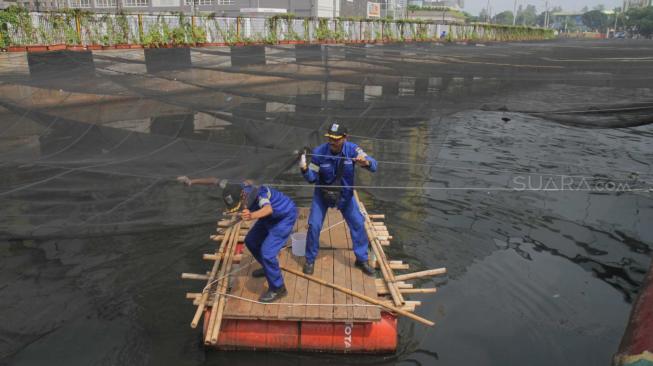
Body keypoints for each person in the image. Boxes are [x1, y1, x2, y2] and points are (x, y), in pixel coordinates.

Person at [177, 176, 297, 303]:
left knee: (267, 253)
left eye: (239, 206)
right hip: (268, 218)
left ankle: (278, 288)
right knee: (251, 241)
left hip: (283, 217)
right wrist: (192, 181)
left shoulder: (259, 193)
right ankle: (268, 268)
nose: (239, 209)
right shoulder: (233, 187)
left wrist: (252, 215)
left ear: (243, 196)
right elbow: (214, 181)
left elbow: (268, 209)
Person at [299, 122, 377, 276]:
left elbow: (374, 165)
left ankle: (361, 259)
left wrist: (366, 162)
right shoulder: (319, 152)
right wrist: (304, 169)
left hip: (345, 196)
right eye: (330, 138)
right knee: (314, 225)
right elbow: (312, 178)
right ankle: (310, 259)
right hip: (322, 195)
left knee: (358, 224)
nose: (332, 142)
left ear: (345, 138)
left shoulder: (353, 149)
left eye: (336, 139)